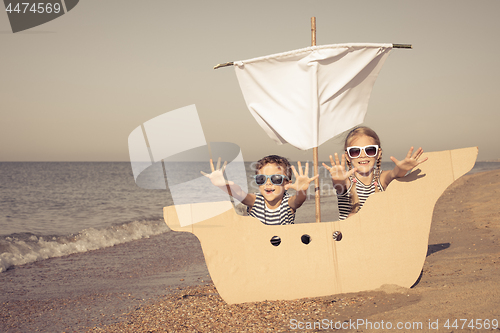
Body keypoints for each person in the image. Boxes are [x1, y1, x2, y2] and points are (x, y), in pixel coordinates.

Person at [322, 126, 428, 220]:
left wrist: (402, 169)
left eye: (370, 150)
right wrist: (338, 179)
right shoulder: (347, 181)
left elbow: (393, 174)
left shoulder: (380, 179)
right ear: (348, 157)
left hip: (374, 234)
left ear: (378, 153)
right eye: (355, 151)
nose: (363, 155)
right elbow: (339, 185)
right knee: (352, 217)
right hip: (347, 237)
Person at [202, 155, 318, 225]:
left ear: (287, 183)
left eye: (276, 179)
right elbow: (239, 193)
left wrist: (301, 190)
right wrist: (223, 185)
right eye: (261, 179)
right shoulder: (255, 201)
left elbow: (298, 200)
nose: (268, 183)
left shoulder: (287, 204)